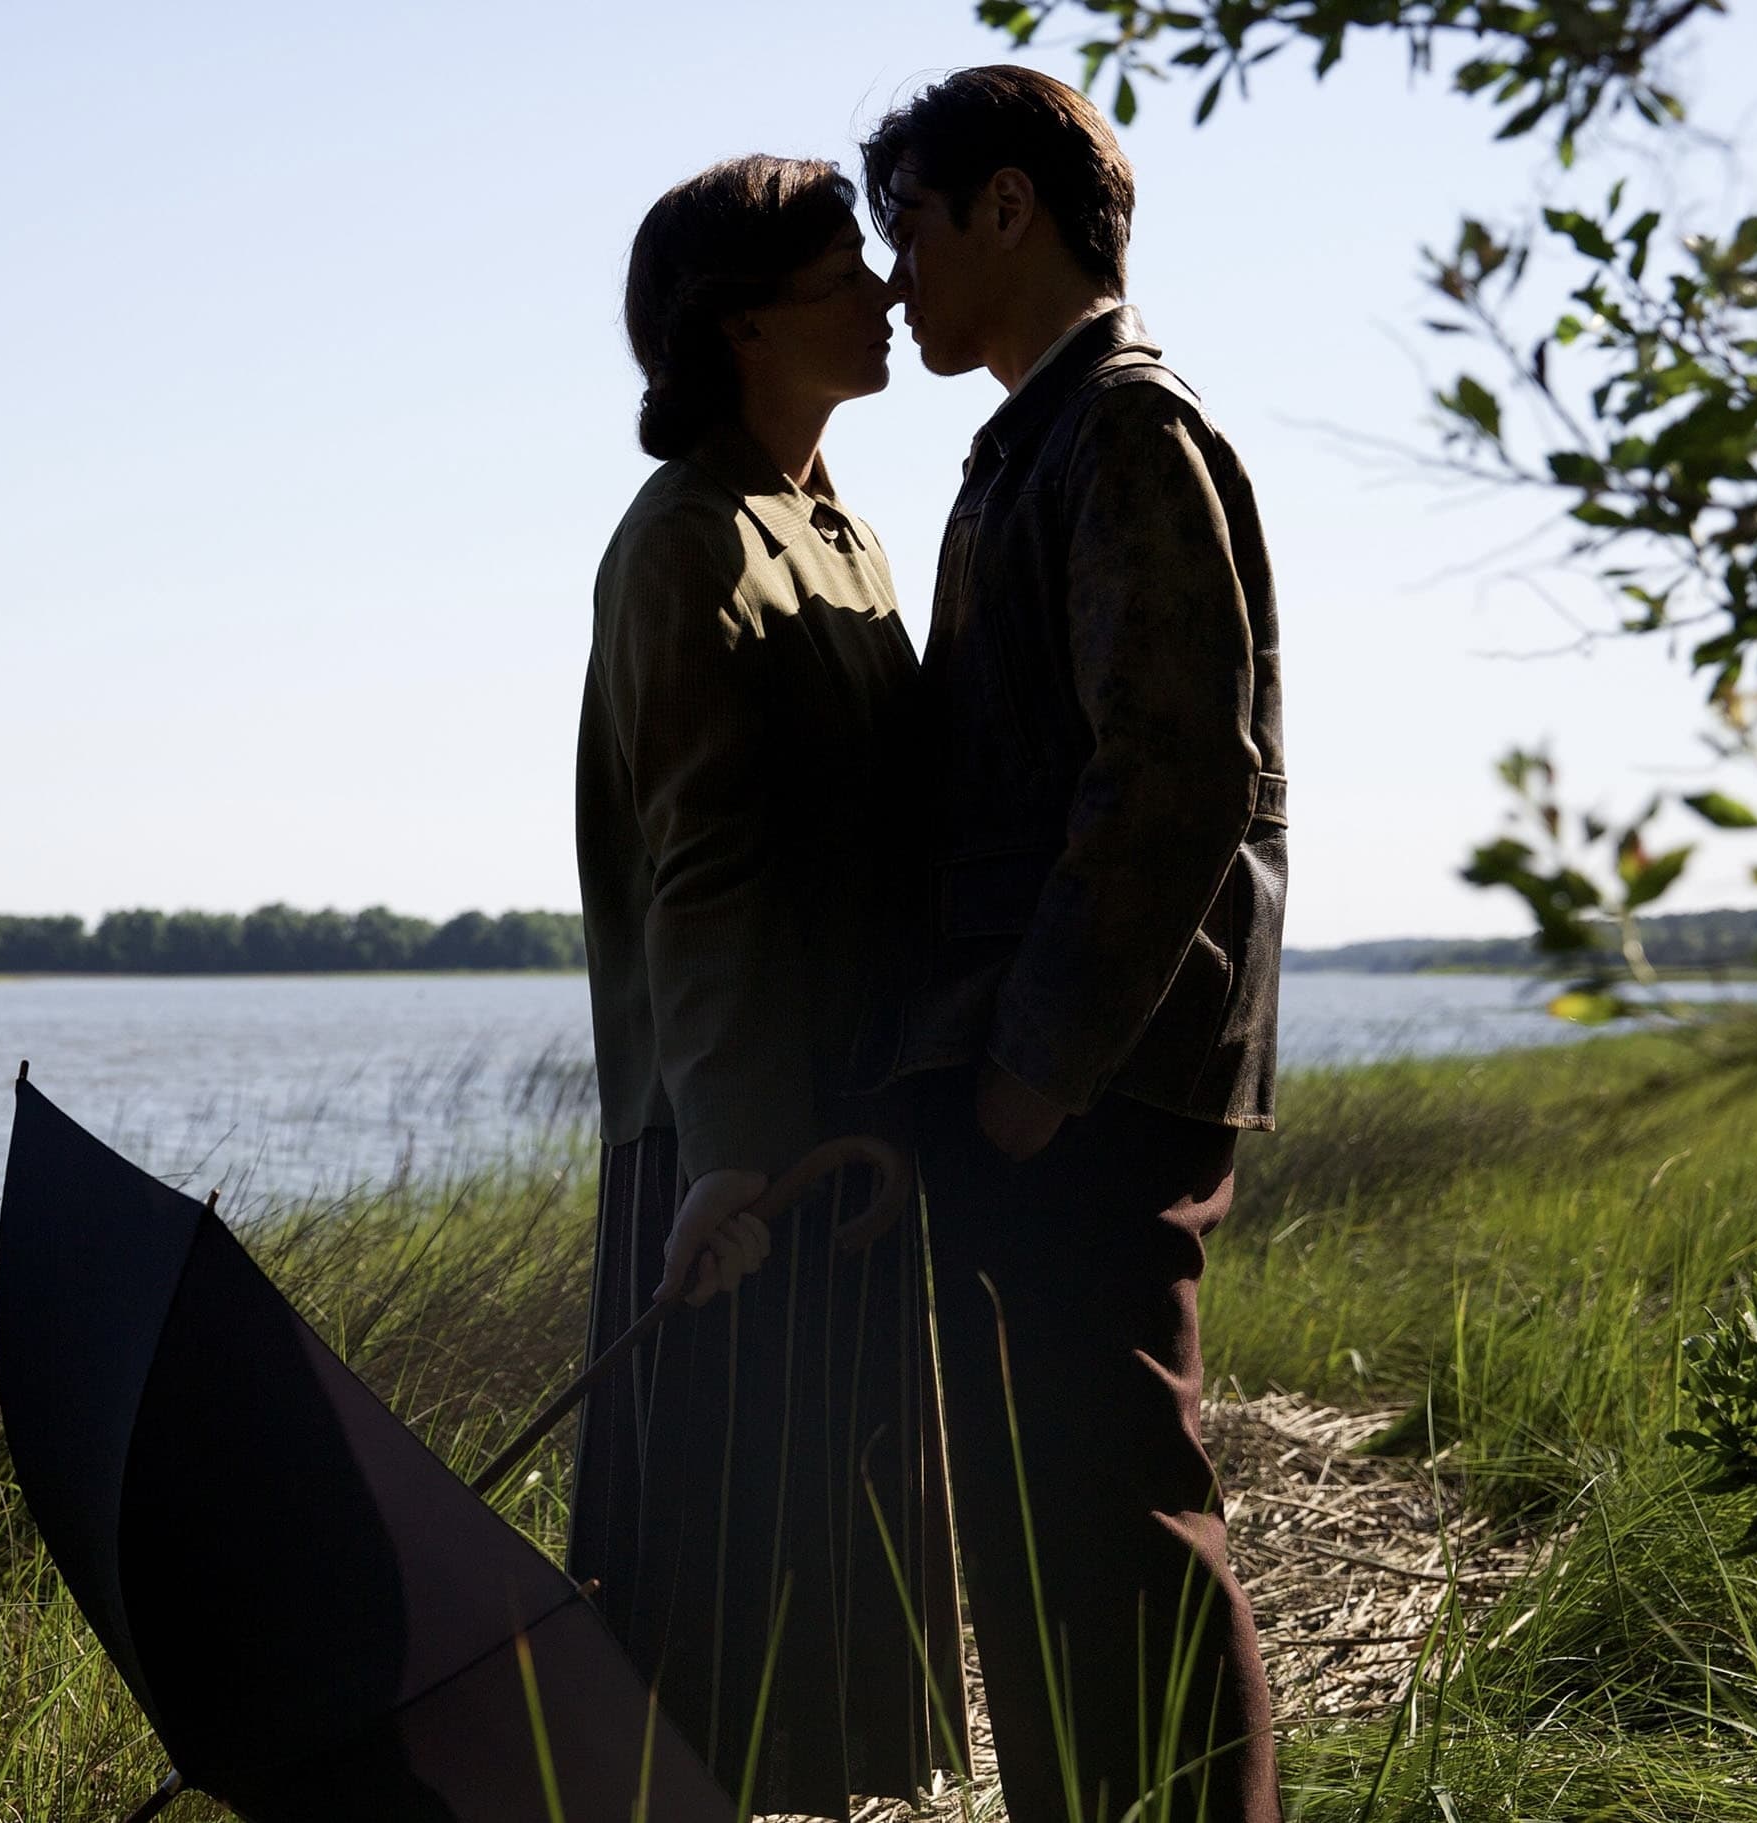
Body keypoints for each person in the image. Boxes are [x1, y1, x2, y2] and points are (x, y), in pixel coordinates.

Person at [858, 67, 1288, 1823]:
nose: (893, 281)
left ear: (1010, 209)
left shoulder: (1120, 428)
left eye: (915, 229)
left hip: (1093, 1086)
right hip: (1044, 1076)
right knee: (1045, 1521)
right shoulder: (1035, 436)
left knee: (1117, 1505)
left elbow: (1177, 775)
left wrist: (1037, 1069)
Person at [569, 153, 958, 1818]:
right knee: (726, 1601)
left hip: (849, 1126)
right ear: (739, 326)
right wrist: (730, 1159)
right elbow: (700, 873)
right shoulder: (683, 545)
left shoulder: (839, 532)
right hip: (735, 1150)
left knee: (836, 1573)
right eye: (839, 275)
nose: (883, 293)